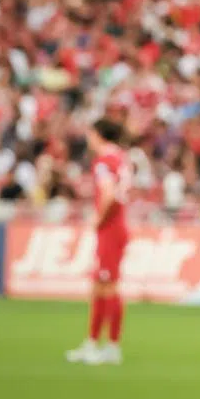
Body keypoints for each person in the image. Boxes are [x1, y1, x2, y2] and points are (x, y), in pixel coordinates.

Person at [66, 118, 131, 365]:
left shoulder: (104, 161)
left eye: (91, 134)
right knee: (101, 286)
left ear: (99, 135)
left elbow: (108, 192)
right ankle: (93, 343)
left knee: (108, 287)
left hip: (111, 228)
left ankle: (111, 347)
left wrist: (97, 217)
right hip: (117, 226)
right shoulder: (121, 158)